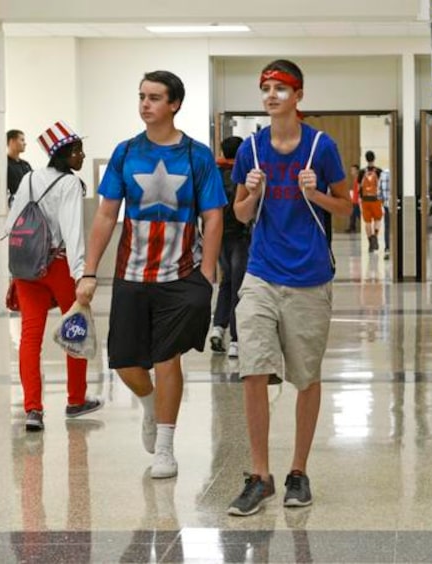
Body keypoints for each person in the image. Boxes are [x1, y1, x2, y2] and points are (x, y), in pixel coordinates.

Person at [76, 70, 226, 479]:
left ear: (174, 104)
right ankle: (148, 404)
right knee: (125, 363)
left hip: (181, 276)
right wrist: (90, 271)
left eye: (155, 97)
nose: (145, 104)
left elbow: (213, 217)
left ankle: (165, 446)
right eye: (141, 96)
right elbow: (106, 215)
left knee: (167, 359)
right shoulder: (126, 153)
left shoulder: (197, 156)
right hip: (131, 274)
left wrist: (207, 273)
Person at [227, 59, 351, 516]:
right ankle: (260, 476)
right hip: (260, 274)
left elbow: (345, 204)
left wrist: (315, 194)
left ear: (298, 96)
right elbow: (240, 214)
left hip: (309, 277)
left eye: (281, 88)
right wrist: (252, 193)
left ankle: (299, 470)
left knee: (305, 377)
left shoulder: (322, 146)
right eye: (266, 88)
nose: (272, 95)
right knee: (253, 371)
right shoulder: (251, 151)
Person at [4, 121, 103, 432]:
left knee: (29, 338)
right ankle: (75, 399)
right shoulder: (70, 184)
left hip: (28, 267)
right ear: (65, 153)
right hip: (59, 265)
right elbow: (73, 232)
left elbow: (12, 224)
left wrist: (17, 268)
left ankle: (33, 409)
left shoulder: (30, 178)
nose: (83, 156)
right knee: (76, 327)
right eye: (78, 150)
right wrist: (82, 275)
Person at [209, 135, 250, 358]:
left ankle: (217, 328)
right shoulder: (243, 174)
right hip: (240, 237)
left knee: (226, 282)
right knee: (238, 286)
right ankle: (235, 339)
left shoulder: (214, 173)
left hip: (218, 236)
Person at [357, 150, 383, 253]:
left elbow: (359, 186)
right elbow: (381, 185)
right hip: (375, 199)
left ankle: (370, 243)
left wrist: (360, 198)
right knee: (377, 219)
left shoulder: (362, 172)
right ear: (374, 158)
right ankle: (375, 236)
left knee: (367, 221)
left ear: (366, 159)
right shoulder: (379, 171)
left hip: (365, 200)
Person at [7, 129, 33, 208]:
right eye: (22, 140)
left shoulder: (26, 165)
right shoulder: (3, 164)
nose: (25, 143)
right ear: (11, 142)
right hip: (12, 208)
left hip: (28, 207)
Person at [378, 167, 391, 260]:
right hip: (398, 205)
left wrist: (383, 201)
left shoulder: (383, 173)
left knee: (387, 227)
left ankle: (387, 248)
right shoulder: (401, 172)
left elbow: (379, 192)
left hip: (387, 205)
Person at [346, 164, 360, 233]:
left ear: (357, 171)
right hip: (354, 200)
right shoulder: (355, 180)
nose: (351, 171)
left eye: (353, 170)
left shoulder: (358, 179)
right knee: (352, 215)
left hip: (357, 201)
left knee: (358, 215)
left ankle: (352, 228)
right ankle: (352, 228)